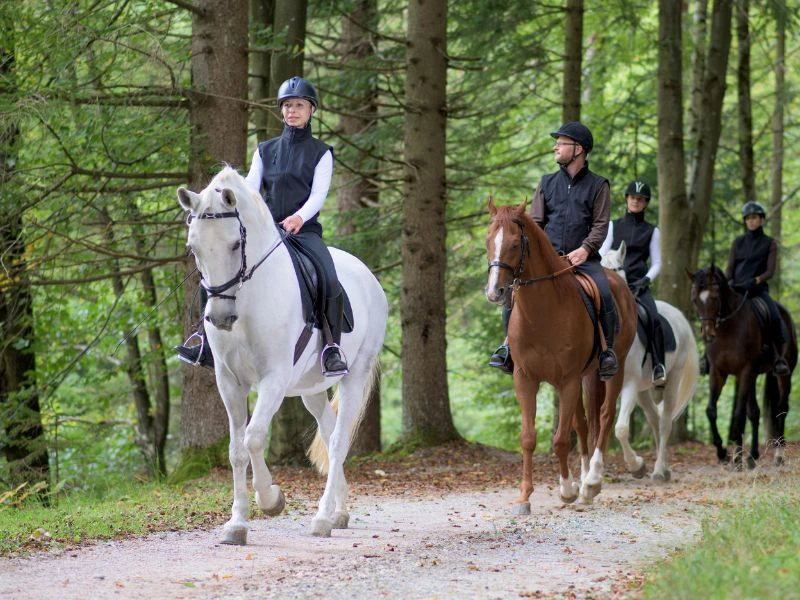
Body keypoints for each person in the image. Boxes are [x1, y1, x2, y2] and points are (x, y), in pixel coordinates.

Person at [175, 76, 348, 377]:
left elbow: (319, 194)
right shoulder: (265, 150)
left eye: (299, 105)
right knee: (215, 269)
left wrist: (299, 218)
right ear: (281, 110)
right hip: (267, 232)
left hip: (304, 232)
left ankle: (331, 347)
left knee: (328, 277)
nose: (292, 111)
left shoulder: (321, 153)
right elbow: (250, 190)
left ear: (311, 110)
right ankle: (204, 341)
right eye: (288, 106)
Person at [489, 121, 619, 379]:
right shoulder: (546, 183)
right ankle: (507, 347)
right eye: (556, 143)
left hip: (583, 259)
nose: (555, 147)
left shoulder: (598, 185)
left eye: (561, 143)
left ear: (578, 149)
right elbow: (536, 223)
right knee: (513, 293)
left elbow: (600, 225)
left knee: (604, 292)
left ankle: (606, 352)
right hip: (548, 261)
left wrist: (585, 249)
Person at [599, 180, 666, 386]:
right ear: (627, 199)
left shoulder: (652, 231)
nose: (635, 201)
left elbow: (657, 262)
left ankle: (658, 365)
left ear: (645, 203)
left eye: (640, 199)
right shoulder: (613, 225)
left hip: (638, 285)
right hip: (612, 282)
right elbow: (602, 252)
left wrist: (646, 280)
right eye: (633, 197)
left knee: (654, 318)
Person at [719, 201, 790, 376]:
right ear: (745, 221)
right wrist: (722, 283)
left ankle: (778, 358)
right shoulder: (737, 242)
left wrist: (756, 280)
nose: (751, 221)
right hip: (736, 289)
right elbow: (730, 270)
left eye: (755, 218)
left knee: (775, 316)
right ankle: (707, 357)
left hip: (757, 290)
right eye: (748, 218)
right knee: (715, 313)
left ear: (761, 220)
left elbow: (770, 271)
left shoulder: (769, 243)